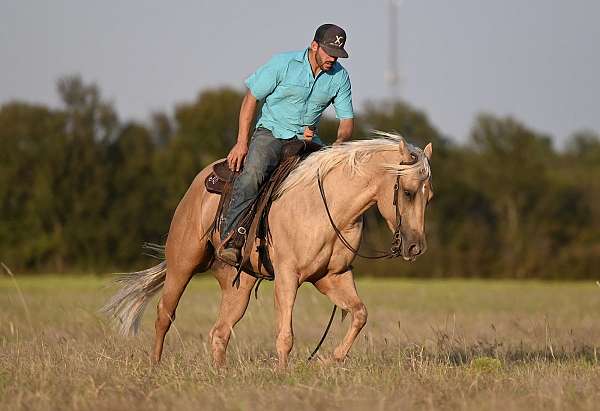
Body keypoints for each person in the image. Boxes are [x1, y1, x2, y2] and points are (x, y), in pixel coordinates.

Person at [218, 23, 355, 264]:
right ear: (314, 46)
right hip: (271, 133)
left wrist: (339, 144)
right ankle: (232, 238)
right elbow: (251, 98)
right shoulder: (283, 64)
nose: (333, 59)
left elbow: (346, 121)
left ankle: (321, 249)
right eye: (328, 52)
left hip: (307, 141)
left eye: (337, 55)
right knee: (253, 174)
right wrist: (241, 142)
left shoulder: (340, 77)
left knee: (334, 182)